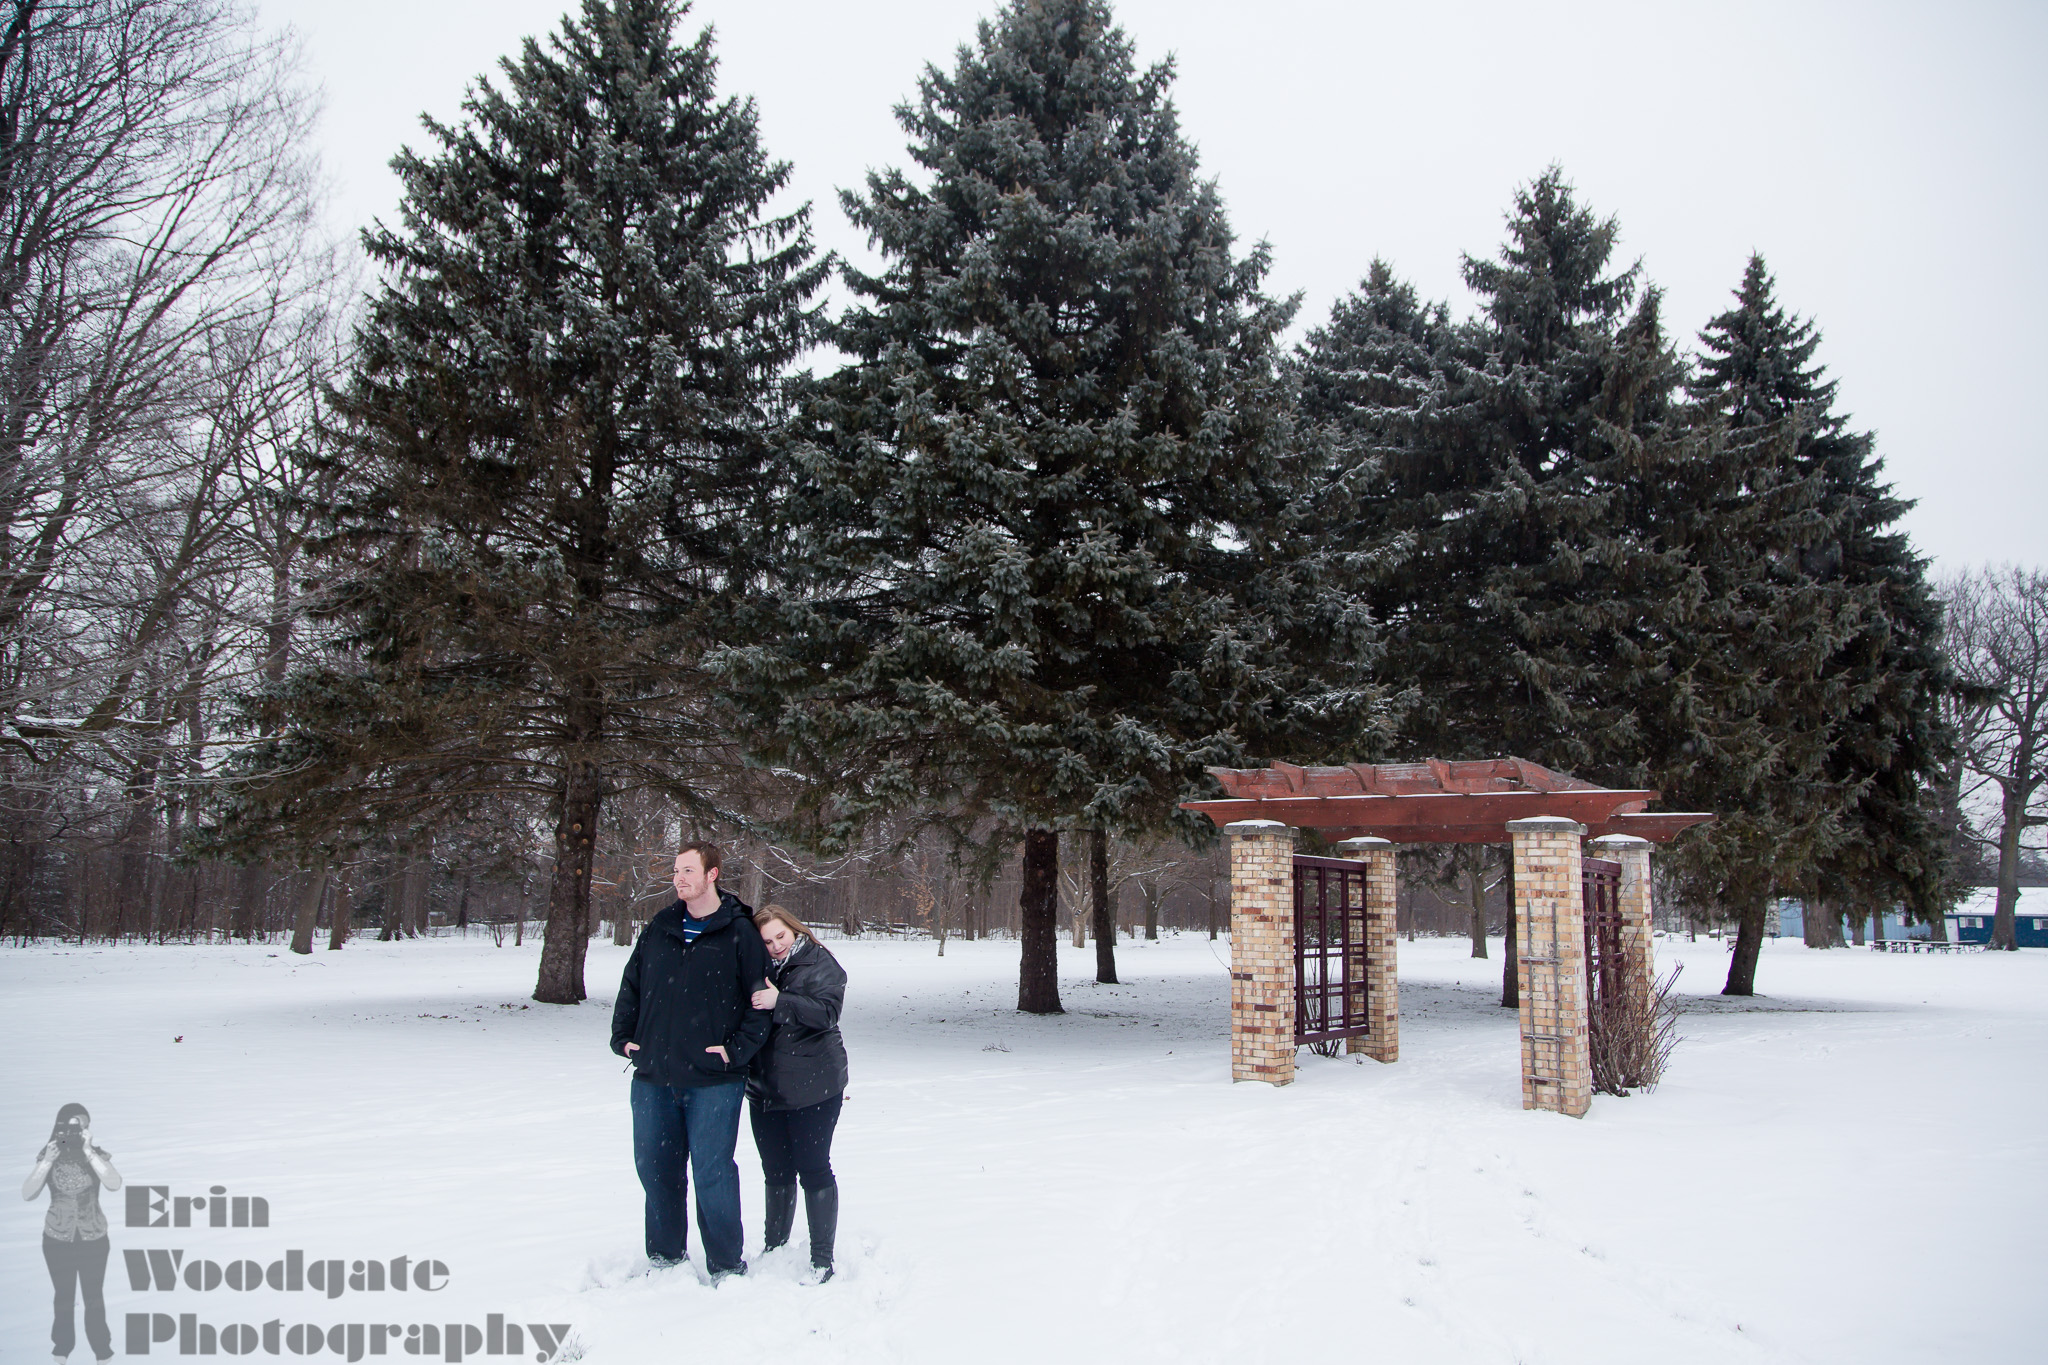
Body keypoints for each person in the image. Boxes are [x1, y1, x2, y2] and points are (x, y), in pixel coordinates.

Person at [611, 842, 771, 1280]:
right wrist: (624, 1038)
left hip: (714, 1081)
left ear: (712, 874)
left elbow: (760, 1004)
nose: (678, 878)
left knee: (712, 1172)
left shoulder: (739, 933)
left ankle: (725, 1264)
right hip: (653, 1078)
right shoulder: (660, 928)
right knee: (656, 1170)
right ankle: (665, 1260)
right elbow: (632, 985)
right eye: (676, 871)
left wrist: (735, 1051)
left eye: (687, 870)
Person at [747, 905, 850, 1283]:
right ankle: (774, 1247)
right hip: (765, 1087)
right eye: (767, 941)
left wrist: (781, 1002)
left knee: (813, 1167)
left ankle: (822, 1259)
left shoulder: (820, 962)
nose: (775, 946)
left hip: (815, 1085)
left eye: (781, 936)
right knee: (775, 1169)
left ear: (795, 931)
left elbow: (826, 1013)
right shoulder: (756, 968)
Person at [24, 1104, 121, 1364]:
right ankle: (61, 1349)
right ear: (58, 1127)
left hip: (94, 1238)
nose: (74, 1131)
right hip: (56, 1239)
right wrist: (46, 1161)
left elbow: (114, 1183)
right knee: (63, 1296)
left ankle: (102, 1351)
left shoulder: (96, 1155)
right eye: (69, 1125)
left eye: (81, 1126)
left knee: (94, 1297)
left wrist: (89, 1152)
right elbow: (28, 1193)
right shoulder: (48, 1154)